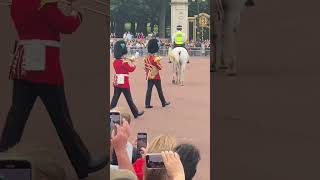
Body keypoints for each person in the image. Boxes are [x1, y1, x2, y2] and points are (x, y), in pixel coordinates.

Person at [0, 0, 108, 179]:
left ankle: (3, 159)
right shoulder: (47, 7)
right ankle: (83, 163)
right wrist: (78, 13)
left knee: (15, 119)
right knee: (62, 120)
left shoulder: (18, 4)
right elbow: (67, 26)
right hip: (46, 71)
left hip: (24, 67)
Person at [110, 40, 144, 118]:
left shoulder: (115, 62)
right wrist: (133, 63)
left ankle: (110, 112)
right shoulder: (123, 62)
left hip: (117, 82)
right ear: (122, 53)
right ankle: (136, 113)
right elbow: (131, 69)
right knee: (129, 99)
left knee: (114, 99)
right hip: (124, 83)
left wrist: (126, 60)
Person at [144, 39, 170, 108]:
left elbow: (146, 67)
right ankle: (163, 103)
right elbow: (159, 67)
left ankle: (147, 104)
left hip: (149, 76)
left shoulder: (146, 58)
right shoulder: (155, 58)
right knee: (159, 90)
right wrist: (158, 62)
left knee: (149, 90)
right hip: (156, 76)